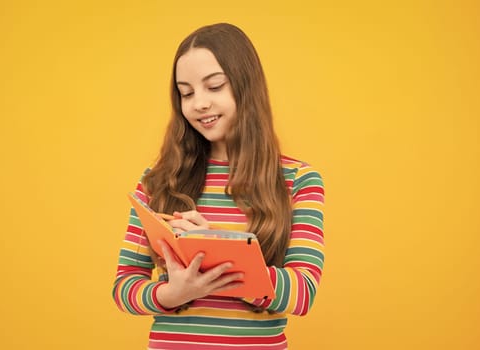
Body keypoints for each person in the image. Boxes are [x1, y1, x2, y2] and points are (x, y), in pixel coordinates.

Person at [112, 23, 325, 349]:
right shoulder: (157, 181)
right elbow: (124, 287)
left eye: (214, 87)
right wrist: (174, 293)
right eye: (187, 93)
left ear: (245, 86)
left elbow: (301, 293)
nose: (199, 103)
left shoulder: (298, 180)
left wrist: (216, 248)